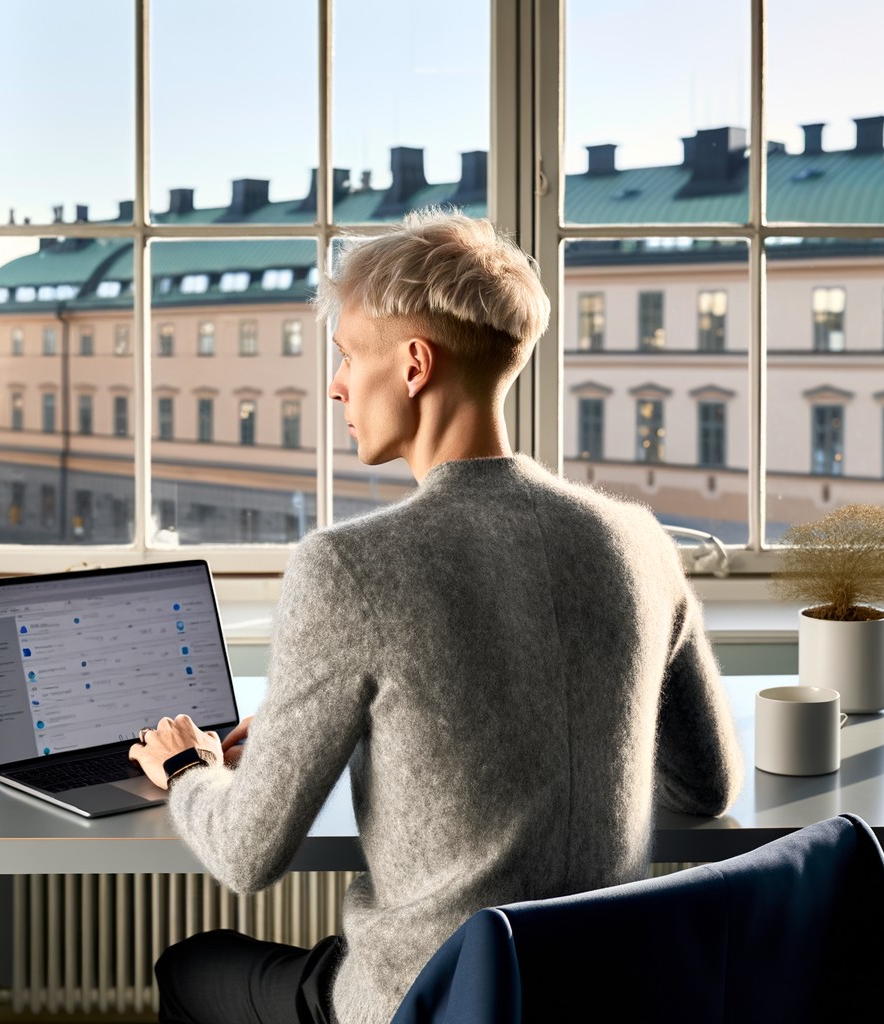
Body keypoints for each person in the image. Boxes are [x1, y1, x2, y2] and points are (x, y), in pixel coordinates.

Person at [127, 210, 742, 1024]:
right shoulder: (638, 540)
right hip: (606, 994)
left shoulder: (348, 567)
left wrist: (188, 769)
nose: (338, 383)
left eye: (347, 356)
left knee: (189, 966)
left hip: (431, 1003)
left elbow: (245, 854)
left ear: (414, 364)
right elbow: (705, 788)